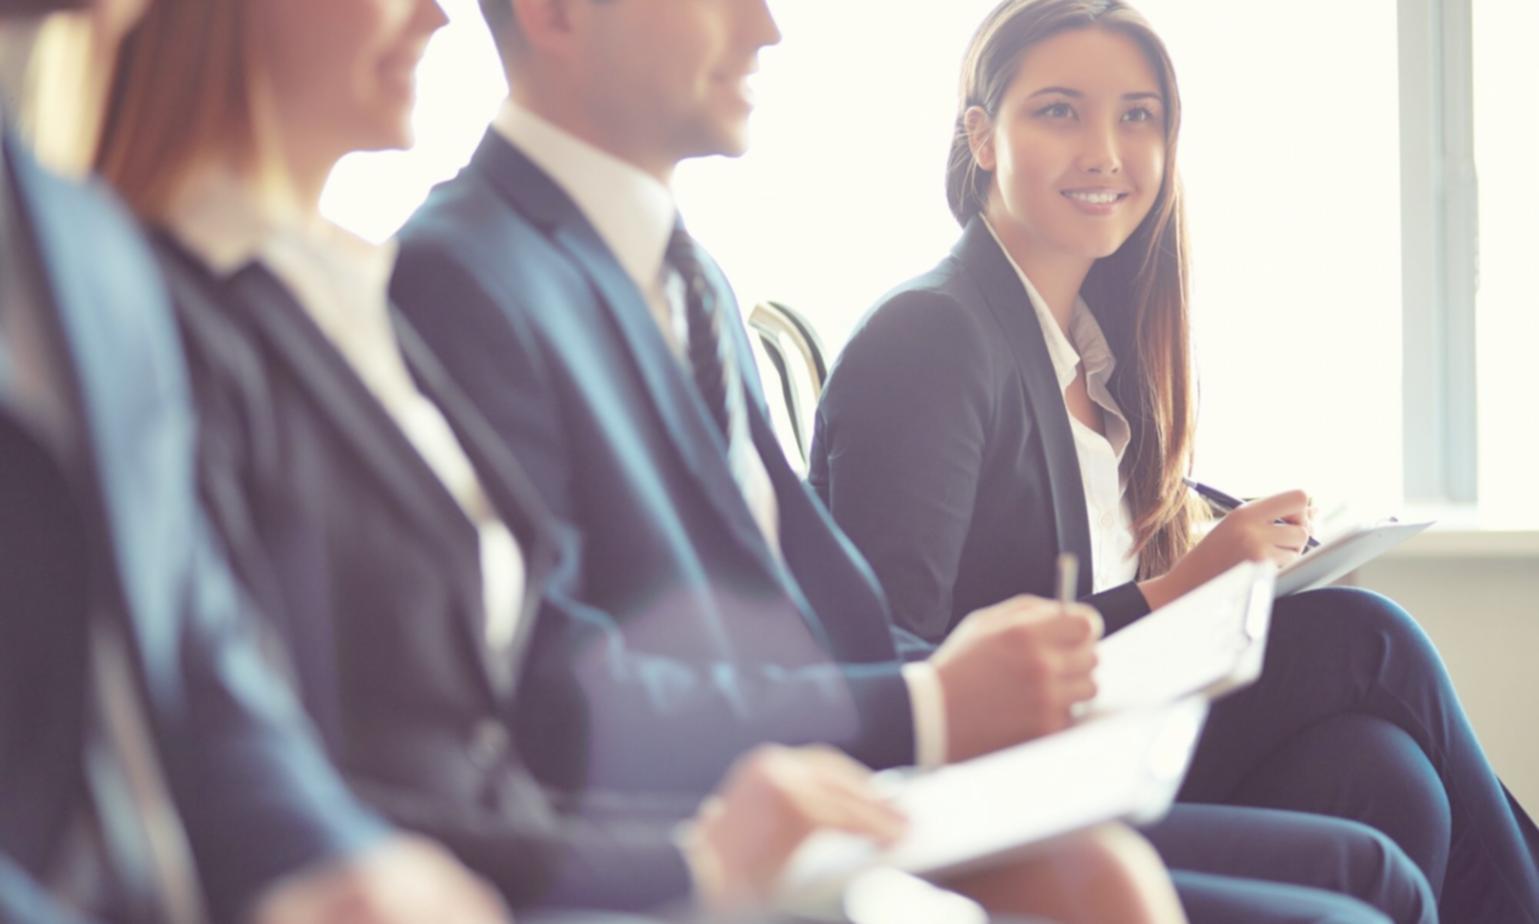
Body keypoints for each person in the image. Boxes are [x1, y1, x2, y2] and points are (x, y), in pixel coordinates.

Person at [89, 1, 1189, 921]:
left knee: (1146, 865)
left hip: (704, 801)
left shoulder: (392, 284)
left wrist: (972, 698)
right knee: (1118, 884)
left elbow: (787, 616)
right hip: (589, 836)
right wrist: (889, 733)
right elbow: (502, 714)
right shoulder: (427, 279)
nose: (765, 28)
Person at [388, 1, 1439, 922]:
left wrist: (975, 679)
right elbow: (558, 682)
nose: (768, 26)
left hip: (868, 775)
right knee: (1360, 823)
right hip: (763, 813)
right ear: (558, 12)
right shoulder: (468, 276)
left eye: (1138, 116)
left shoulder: (687, 273)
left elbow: (828, 614)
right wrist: (938, 702)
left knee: (1375, 815)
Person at [806, 0, 1539, 921]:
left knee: (1383, 774)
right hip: (1002, 787)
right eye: (1059, 111)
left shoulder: (1086, 358)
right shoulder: (933, 335)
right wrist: (1178, 590)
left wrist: (1219, 556)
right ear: (982, 139)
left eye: (1137, 115)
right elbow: (892, 663)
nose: (1106, 150)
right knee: (1369, 639)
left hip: (1113, 740)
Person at [0, 1, 511, 923]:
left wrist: (341, 865)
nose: (440, 15)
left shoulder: (84, 247)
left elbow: (204, 669)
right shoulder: (167, 272)